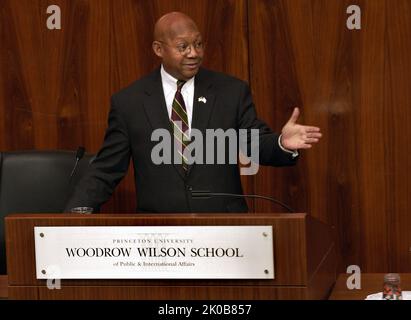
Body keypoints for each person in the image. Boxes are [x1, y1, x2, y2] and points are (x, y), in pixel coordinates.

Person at [64, 12, 322, 213]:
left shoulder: (230, 91)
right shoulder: (129, 102)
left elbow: (252, 143)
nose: (194, 53)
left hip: (224, 233)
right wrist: (77, 212)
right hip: (161, 238)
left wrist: (281, 143)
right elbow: (107, 168)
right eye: (183, 46)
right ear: (158, 49)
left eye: (198, 44)